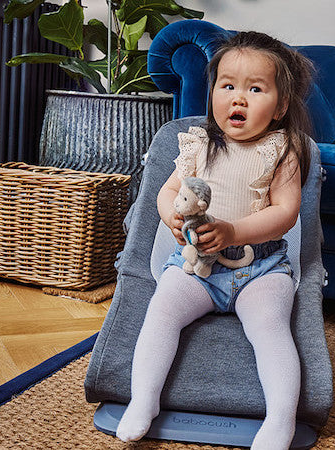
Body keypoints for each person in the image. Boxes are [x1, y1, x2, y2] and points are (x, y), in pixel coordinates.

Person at [115, 30, 315, 450]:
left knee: (271, 328)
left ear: (280, 106)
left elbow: (285, 214)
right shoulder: (199, 144)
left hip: (259, 268)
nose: (237, 99)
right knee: (161, 313)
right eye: (227, 86)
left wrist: (233, 231)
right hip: (196, 265)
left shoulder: (283, 150)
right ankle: (143, 400)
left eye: (255, 89)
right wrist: (172, 216)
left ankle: (280, 420)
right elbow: (168, 192)